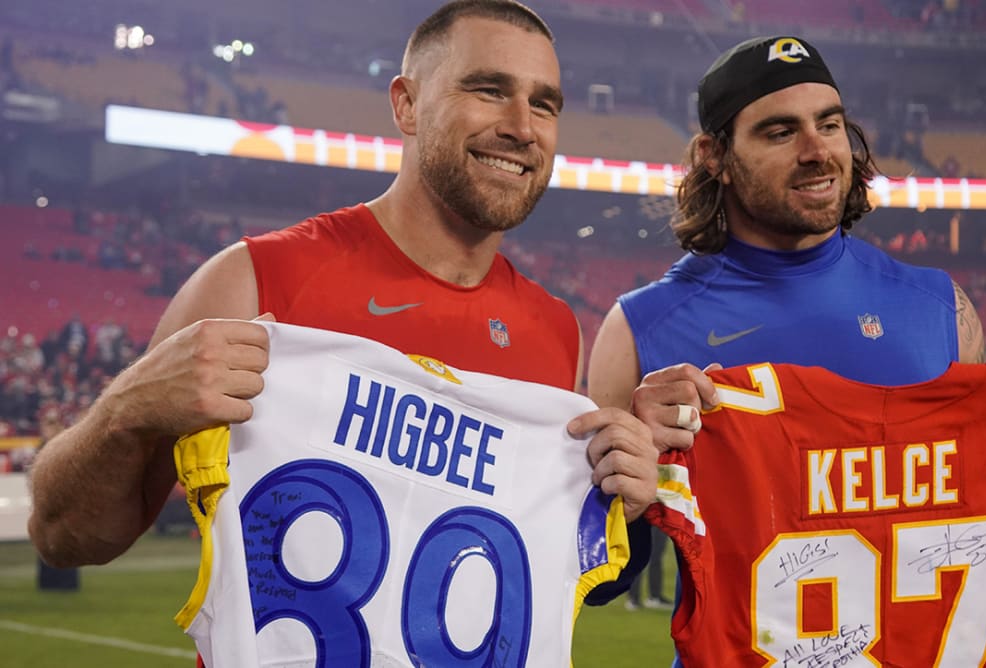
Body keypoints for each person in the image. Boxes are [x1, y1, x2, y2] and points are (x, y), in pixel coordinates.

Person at [27, 0, 657, 586]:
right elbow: (64, 537)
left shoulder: (554, 330)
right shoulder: (255, 281)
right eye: (489, 90)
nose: (522, 127)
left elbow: (538, 571)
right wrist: (123, 411)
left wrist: (618, 505)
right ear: (406, 105)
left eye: (544, 105)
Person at [586, 35, 986, 664]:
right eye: (780, 132)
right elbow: (599, 581)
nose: (817, 151)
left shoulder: (942, 309)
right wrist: (630, 494)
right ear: (716, 157)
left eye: (830, 124)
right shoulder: (638, 330)